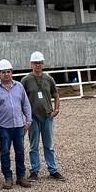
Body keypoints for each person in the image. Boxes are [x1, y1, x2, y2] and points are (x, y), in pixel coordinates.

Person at [21, 51, 65, 181]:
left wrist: (56, 109)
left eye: (40, 63)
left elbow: (56, 95)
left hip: (47, 116)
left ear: (43, 64)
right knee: (34, 145)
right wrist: (25, 116)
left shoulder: (49, 79)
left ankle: (53, 169)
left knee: (49, 145)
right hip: (33, 118)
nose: (38, 65)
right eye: (35, 63)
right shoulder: (25, 80)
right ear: (31, 64)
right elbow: (21, 99)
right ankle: (34, 171)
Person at [0, 59, 32, 189]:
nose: (6, 74)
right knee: (4, 152)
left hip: (19, 125)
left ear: (11, 72)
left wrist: (28, 120)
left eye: (8, 72)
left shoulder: (19, 86)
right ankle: (7, 177)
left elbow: (26, 104)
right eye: (3, 72)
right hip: (4, 127)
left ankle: (21, 176)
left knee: (20, 151)